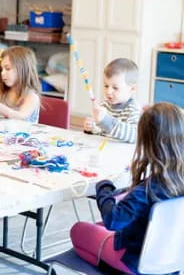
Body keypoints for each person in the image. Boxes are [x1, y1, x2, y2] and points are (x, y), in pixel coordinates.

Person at [71, 103, 184, 274]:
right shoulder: (173, 178)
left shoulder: (148, 190)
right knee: (96, 226)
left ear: (147, 141)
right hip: (171, 258)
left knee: (78, 229)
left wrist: (104, 186)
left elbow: (113, 221)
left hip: (133, 259)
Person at [84, 58, 141, 143]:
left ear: (132, 88)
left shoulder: (134, 109)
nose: (108, 91)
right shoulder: (104, 105)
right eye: (106, 86)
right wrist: (91, 128)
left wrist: (105, 121)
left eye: (115, 88)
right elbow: (100, 133)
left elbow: (135, 136)